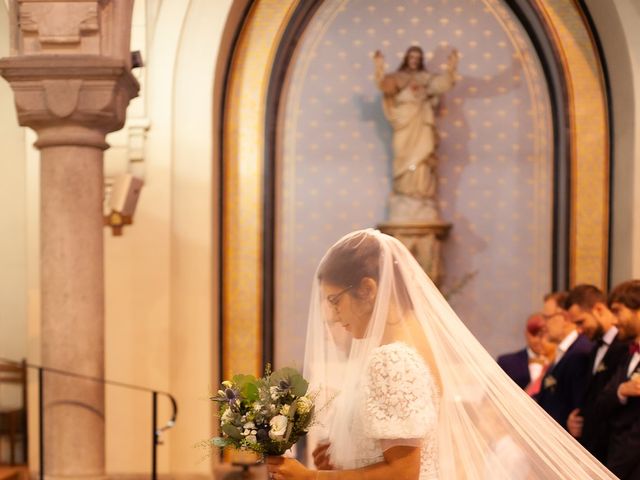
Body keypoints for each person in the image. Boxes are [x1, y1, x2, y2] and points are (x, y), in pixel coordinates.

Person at [266, 229, 617, 479]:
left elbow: (403, 473)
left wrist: (309, 478)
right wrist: (345, 460)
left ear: (368, 289)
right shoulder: (415, 345)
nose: (333, 315)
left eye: (334, 300)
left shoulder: (391, 359)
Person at [373, 46, 458, 221]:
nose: (414, 60)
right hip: (404, 122)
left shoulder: (425, 79)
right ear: (406, 58)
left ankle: (420, 194)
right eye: (411, 57)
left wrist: (451, 69)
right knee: (403, 158)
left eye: (417, 57)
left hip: (421, 121)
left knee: (422, 160)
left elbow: (442, 84)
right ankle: (404, 192)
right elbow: (384, 85)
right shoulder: (397, 78)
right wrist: (379, 67)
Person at [564, 284, 628, 462]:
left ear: (598, 309)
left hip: (615, 453)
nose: (579, 330)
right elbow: (594, 397)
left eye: (581, 322)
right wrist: (576, 420)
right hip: (593, 450)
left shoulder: (625, 346)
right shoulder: (594, 349)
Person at [592, 280, 640, 478]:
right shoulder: (626, 353)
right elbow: (602, 401)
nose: (613, 321)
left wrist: (612, 471)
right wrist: (621, 390)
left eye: (618, 311)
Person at [535, 298, 592, 429]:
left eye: (547, 318)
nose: (543, 324)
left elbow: (579, 409)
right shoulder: (563, 351)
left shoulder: (580, 352)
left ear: (565, 318)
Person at [496, 313, 553, 391]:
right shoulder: (507, 362)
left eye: (544, 334)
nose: (539, 339)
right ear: (526, 333)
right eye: (534, 333)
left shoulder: (559, 363)